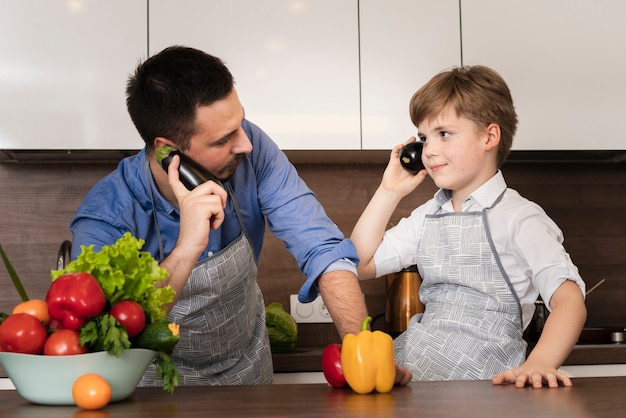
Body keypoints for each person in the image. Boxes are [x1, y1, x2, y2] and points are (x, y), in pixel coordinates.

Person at [70, 45, 411, 387]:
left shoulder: (253, 150)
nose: (245, 144)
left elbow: (321, 246)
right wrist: (188, 245)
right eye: (223, 139)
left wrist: (365, 350)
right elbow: (106, 334)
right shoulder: (106, 215)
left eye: (240, 123)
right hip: (152, 387)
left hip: (247, 372)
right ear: (167, 149)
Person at [351, 65, 587, 388]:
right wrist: (388, 191)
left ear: (489, 136)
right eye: (423, 138)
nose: (429, 150)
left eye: (444, 134)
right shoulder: (427, 216)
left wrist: (540, 363)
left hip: (487, 386)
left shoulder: (521, 218)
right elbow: (358, 263)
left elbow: (569, 300)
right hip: (412, 378)